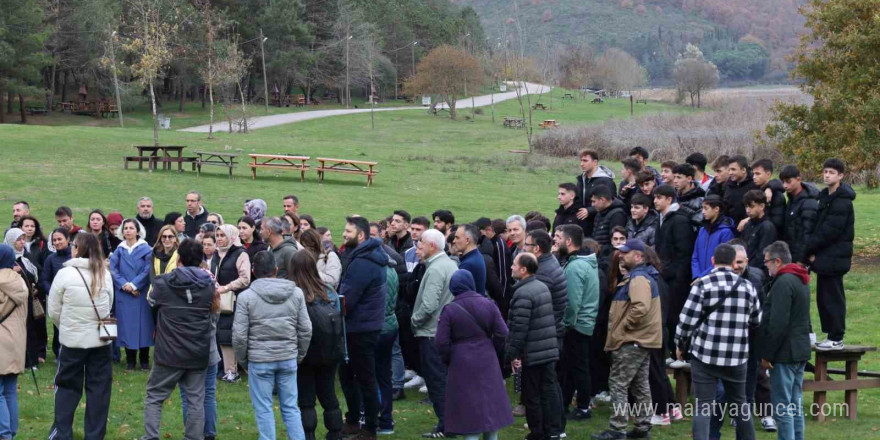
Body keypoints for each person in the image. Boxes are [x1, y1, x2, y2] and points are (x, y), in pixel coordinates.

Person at [675, 244, 760, 440]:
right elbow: (756, 321)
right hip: (737, 357)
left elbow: (686, 320)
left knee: (703, 405)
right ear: (733, 262)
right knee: (741, 405)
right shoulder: (747, 287)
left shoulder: (702, 284)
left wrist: (680, 344)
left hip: (705, 355)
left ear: (713, 261)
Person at [142, 239, 217, 440]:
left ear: (179, 259)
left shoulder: (163, 282)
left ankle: (150, 437)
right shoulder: (209, 285)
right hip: (197, 351)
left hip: (168, 351)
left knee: (155, 396)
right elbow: (214, 314)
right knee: (195, 400)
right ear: (201, 259)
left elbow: (151, 301)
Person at [233, 251, 311, 440]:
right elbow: (306, 329)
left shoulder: (246, 297)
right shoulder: (296, 293)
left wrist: (244, 360)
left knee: (263, 408)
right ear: (276, 270)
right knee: (291, 407)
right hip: (285, 358)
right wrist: (297, 355)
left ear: (253, 271)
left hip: (261, 360)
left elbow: (239, 336)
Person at [592, 239, 662, 440]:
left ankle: (617, 429)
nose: (621, 255)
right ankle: (642, 427)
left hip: (632, 341)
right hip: (640, 340)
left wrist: (622, 329)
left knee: (618, 384)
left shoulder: (639, 279)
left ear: (638, 256)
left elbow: (640, 308)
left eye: (626, 252)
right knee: (640, 385)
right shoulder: (641, 276)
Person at [48, 233, 114, 440]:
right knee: (99, 391)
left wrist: (66, 326)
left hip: (72, 341)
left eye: (74, 245)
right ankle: (94, 435)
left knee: (67, 388)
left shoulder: (65, 274)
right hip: (98, 341)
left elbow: (54, 310)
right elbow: (108, 304)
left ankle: (62, 434)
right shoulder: (104, 273)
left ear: (79, 248)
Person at [436, 270, 513, 440]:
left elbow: (441, 342)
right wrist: (494, 350)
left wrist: (450, 358)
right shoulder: (489, 304)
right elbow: (503, 333)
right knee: (490, 408)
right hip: (487, 358)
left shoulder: (449, 309)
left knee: (469, 414)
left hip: (462, 361)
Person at [337, 216, 387, 440]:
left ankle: (370, 429)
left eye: (348, 231)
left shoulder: (363, 261)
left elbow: (347, 299)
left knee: (364, 378)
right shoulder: (361, 256)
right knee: (348, 375)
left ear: (361, 235)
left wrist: (331, 305)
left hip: (360, 329)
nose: (344, 234)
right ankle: (353, 420)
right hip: (361, 326)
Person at [287, 251, 344, 440]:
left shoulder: (293, 293)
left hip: (305, 351)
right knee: (329, 396)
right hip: (329, 349)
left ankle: (308, 435)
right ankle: (335, 434)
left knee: (306, 400)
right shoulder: (328, 290)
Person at [758, 241, 811, 440]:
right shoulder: (801, 279)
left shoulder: (783, 282)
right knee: (795, 403)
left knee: (782, 406)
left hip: (784, 353)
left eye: (767, 262)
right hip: (800, 350)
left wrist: (767, 355)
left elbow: (778, 323)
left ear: (777, 261)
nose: (766, 266)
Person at [506, 252, 562, 440]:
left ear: (523, 270)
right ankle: (552, 431)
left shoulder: (523, 292)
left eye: (514, 264)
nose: (511, 267)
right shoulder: (540, 286)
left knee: (532, 396)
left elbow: (519, 328)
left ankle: (537, 433)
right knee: (548, 392)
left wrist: (512, 354)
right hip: (547, 350)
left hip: (533, 353)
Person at [412, 229, 457, 438]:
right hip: (444, 332)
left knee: (437, 380)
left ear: (432, 245)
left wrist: (414, 321)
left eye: (421, 244)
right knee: (444, 380)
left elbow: (429, 305)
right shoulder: (449, 264)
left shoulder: (436, 269)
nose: (418, 248)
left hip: (431, 333)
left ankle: (446, 425)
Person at [808, 158, 855, 351]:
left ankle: (836, 337)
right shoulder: (825, 197)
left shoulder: (842, 202)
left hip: (835, 257)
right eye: (825, 171)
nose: (827, 175)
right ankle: (830, 336)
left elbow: (829, 231)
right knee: (824, 297)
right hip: (825, 257)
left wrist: (809, 249)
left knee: (833, 297)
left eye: (832, 172)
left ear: (841, 176)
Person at [554, 225, 599, 421]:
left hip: (576, 326)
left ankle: (582, 408)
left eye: (558, 238)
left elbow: (572, 302)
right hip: (583, 323)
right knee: (573, 367)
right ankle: (568, 404)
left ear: (569, 242)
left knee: (578, 367)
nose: (555, 241)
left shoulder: (575, 267)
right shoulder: (582, 262)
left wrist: (566, 325)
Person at [653, 185, 696, 359]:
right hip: (665, 277)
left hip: (676, 281)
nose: (655, 201)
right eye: (655, 197)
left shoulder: (679, 220)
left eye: (659, 197)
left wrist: (673, 276)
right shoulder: (662, 218)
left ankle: (679, 354)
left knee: (674, 317)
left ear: (669, 199)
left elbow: (683, 253)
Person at [110, 218, 154, 371]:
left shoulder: (147, 249)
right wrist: (125, 285)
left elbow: (148, 270)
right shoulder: (119, 250)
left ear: (137, 231)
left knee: (144, 327)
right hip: (125, 294)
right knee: (127, 327)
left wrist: (135, 284)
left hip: (141, 294)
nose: (128, 230)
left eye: (131, 228)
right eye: (125, 228)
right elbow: (113, 269)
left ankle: (144, 360)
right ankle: (130, 360)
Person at [212, 224, 251, 383]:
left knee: (229, 335)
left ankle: (233, 371)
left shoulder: (240, 254)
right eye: (218, 235)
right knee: (220, 334)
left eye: (223, 235)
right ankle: (224, 369)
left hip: (234, 301)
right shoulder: (216, 253)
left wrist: (227, 287)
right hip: (217, 299)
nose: (219, 239)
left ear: (231, 237)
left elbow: (245, 278)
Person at [0, 244, 28, 440]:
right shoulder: (20, 280)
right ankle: (11, 431)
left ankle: (3, 434)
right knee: (10, 390)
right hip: (17, 340)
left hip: (1, 340)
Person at [4, 229, 42, 368]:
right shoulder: (6, 258)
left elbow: (36, 273)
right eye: (18, 240)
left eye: (23, 239)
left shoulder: (26, 257)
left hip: (28, 299)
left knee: (30, 328)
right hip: (13, 301)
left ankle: (31, 360)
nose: (22, 243)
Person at [778, 165, 819, 266]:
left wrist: (802, 259)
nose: (785, 186)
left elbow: (808, 233)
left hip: (799, 258)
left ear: (798, 179)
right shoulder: (791, 201)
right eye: (783, 182)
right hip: (789, 255)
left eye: (788, 181)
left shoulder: (809, 202)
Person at [42, 228, 72, 357]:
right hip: (57, 299)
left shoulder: (75, 256)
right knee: (57, 326)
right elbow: (45, 279)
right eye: (54, 240)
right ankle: (58, 352)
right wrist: (55, 293)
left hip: (73, 298)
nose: (57, 242)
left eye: (60, 239)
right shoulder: (50, 259)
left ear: (68, 239)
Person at [691, 195, 735, 279]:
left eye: (706, 208)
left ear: (716, 209)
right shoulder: (702, 230)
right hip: (698, 278)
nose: (703, 212)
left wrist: (703, 276)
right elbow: (695, 256)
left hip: (716, 278)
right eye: (702, 208)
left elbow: (722, 260)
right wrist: (696, 275)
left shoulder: (725, 232)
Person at [574, 149, 617, 236]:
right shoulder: (581, 180)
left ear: (595, 162)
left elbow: (611, 202)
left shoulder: (606, 181)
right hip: (582, 225)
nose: (581, 164)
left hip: (599, 224)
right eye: (581, 161)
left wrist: (590, 211)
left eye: (585, 161)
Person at [741, 190, 777, 274]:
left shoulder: (767, 227)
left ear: (762, 206)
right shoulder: (747, 225)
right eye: (746, 207)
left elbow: (763, 254)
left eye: (751, 207)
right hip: (746, 268)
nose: (748, 210)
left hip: (758, 272)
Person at [589, 185, 628, 258]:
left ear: (602, 200)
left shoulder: (617, 215)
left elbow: (616, 241)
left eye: (594, 201)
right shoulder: (599, 213)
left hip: (608, 258)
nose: (592, 204)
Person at [751, 159, 786, 235]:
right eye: (753, 174)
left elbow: (777, 222)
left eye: (757, 174)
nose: (754, 177)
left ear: (768, 174)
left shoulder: (776, 196)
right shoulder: (756, 189)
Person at [722, 155, 758, 225]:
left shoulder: (755, 184)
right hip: (728, 227)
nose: (730, 173)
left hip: (747, 228)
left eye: (733, 169)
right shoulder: (728, 184)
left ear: (743, 170)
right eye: (729, 170)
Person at [453, 224, 487, 296]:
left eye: (457, 238)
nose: (454, 241)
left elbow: (461, 295)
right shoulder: (476, 257)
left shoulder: (469, 264)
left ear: (467, 240)